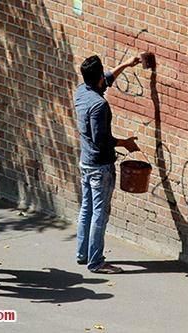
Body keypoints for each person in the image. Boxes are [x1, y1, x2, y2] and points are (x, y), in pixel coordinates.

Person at [74, 55, 141, 274]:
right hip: (100, 167)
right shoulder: (99, 105)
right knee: (99, 214)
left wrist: (127, 64)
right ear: (98, 78)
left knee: (86, 209)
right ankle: (96, 261)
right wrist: (125, 143)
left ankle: (82, 254)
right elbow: (100, 139)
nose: (105, 77)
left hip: (85, 162)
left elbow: (107, 80)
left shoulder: (81, 92)